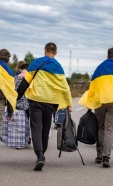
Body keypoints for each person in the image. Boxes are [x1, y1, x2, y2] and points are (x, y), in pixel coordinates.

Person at [17, 42, 72, 171]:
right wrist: (69, 103)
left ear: (45, 50)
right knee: (45, 128)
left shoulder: (36, 63)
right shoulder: (58, 67)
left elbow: (25, 82)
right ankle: (42, 153)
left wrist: (16, 98)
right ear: (55, 52)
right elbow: (65, 87)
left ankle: (40, 155)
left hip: (35, 100)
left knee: (36, 127)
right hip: (50, 102)